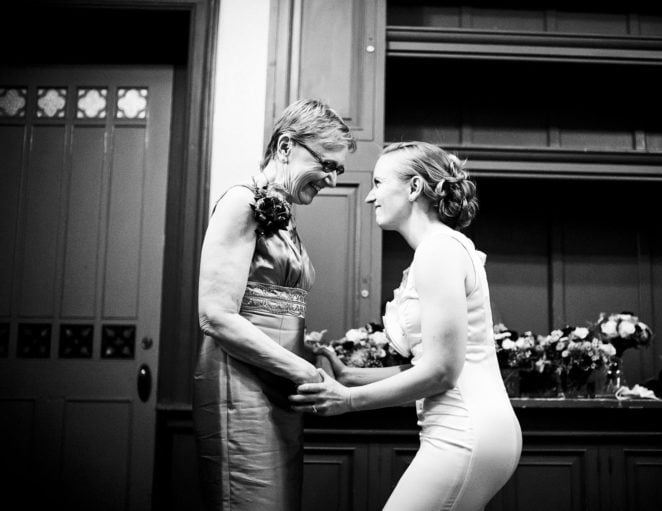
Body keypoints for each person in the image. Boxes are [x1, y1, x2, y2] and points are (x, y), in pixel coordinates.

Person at [291, 141, 523, 510]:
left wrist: (348, 400)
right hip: (478, 428)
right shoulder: (440, 249)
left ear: (414, 187)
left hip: (464, 430)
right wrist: (350, 376)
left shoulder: (438, 250)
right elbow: (434, 364)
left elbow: (442, 373)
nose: (370, 197)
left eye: (379, 183)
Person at [194, 98, 356, 511]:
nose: (332, 180)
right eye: (328, 166)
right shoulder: (240, 202)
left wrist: (311, 352)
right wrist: (301, 370)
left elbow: (271, 306)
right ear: (286, 147)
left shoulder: (285, 215)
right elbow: (216, 315)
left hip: (280, 384)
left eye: (338, 171)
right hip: (242, 384)